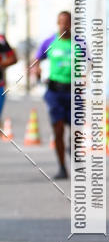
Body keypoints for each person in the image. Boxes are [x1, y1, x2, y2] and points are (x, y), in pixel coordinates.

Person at [32, 11, 74, 180]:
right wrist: (37, 70)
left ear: (71, 24)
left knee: (76, 132)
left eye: (67, 22)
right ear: (58, 23)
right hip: (55, 91)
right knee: (58, 130)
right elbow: (36, 61)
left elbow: (90, 63)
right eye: (61, 22)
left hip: (74, 91)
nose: (64, 25)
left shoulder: (79, 44)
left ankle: (72, 148)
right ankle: (63, 167)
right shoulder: (49, 42)